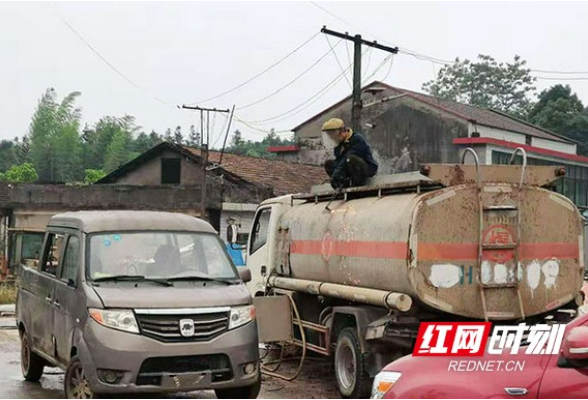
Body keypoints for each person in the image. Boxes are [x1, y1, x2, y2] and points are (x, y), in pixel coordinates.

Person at [322, 118, 378, 189]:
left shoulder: (357, 139)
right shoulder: (338, 145)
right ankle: (342, 183)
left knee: (350, 158)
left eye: (334, 135)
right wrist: (335, 177)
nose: (333, 138)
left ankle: (356, 184)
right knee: (328, 163)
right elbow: (339, 161)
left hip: (365, 168)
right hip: (348, 167)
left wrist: (337, 173)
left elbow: (346, 159)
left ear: (342, 131)